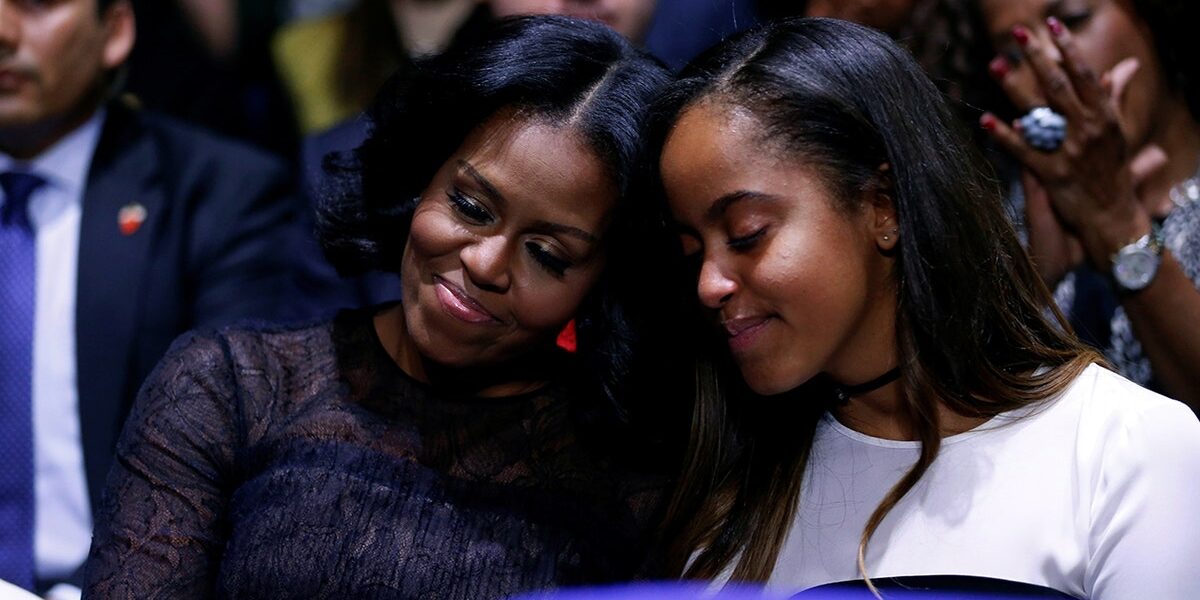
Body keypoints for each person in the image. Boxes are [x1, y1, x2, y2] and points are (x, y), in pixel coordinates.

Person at [84, 15, 674, 598]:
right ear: (421, 178)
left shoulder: (630, 474)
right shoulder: (229, 388)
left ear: (605, 281)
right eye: (470, 207)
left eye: (546, 254)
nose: (486, 264)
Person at [651, 17, 1200, 598]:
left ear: (883, 206)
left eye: (747, 234)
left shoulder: (1123, 447)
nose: (709, 284)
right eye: (692, 254)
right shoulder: (730, 507)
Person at [0, 0, 307, 594]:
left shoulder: (222, 197)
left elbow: (232, 463)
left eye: (37, 3)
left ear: (114, 31)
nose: (2, 29)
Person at [973, 0, 1200, 410]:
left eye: (1071, 22)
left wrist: (1118, 225)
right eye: (1014, 53)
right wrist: (1036, 280)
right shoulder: (1009, 215)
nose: (1049, 64)